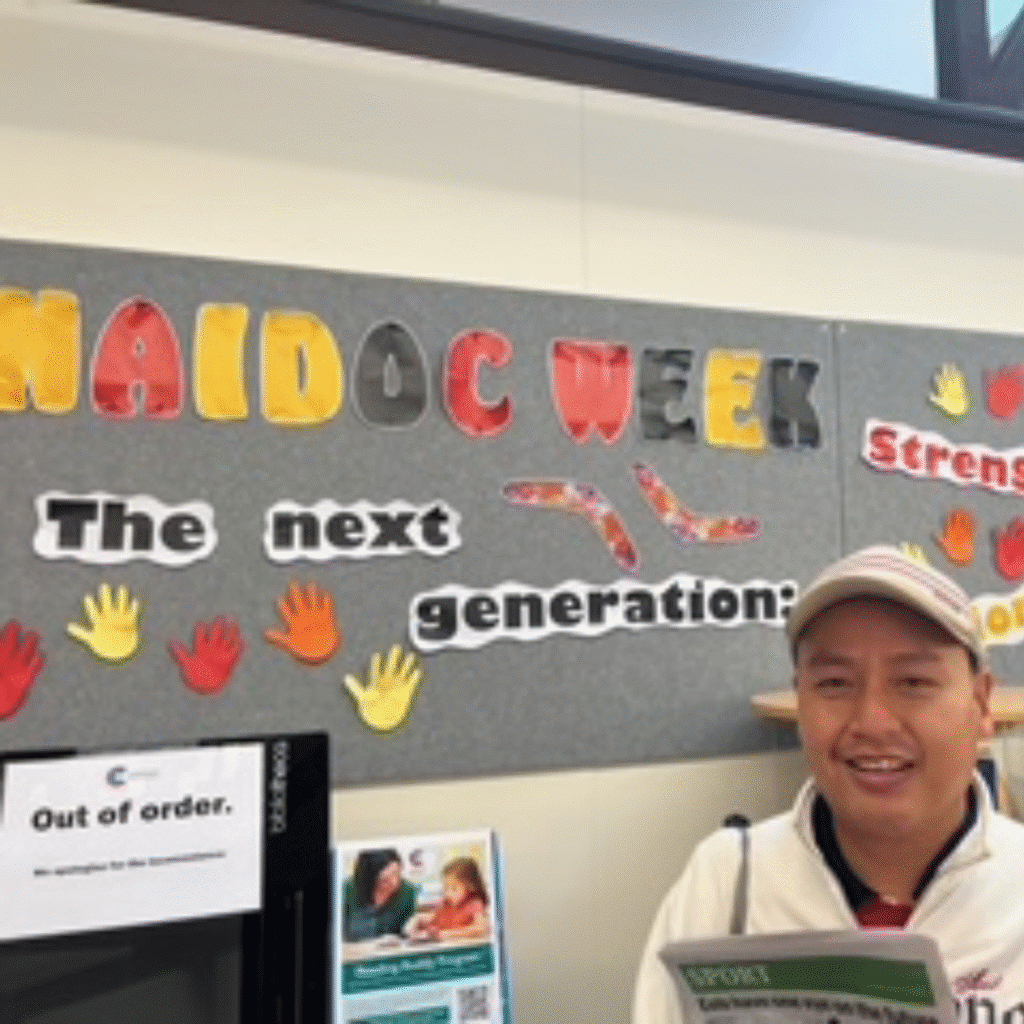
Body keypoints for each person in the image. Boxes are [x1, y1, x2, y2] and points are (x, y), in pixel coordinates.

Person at [632, 544, 1024, 1024]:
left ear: (982, 703)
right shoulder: (729, 879)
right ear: (801, 700)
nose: (873, 722)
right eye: (835, 683)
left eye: (914, 681)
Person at [343, 847, 418, 942]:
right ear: (369, 879)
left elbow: (407, 931)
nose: (394, 883)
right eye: (385, 880)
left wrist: (415, 930)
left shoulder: (408, 891)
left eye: (396, 874)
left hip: (391, 953)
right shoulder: (347, 890)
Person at [409, 855, 490, 942]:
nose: (448, 893)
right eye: (446, 888)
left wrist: (450, 934)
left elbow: (481, 929)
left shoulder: (474, 904)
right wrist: (420, 922)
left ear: (470, 886)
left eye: (454, 888)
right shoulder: (446, 904)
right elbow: (431, 918)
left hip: (463, 951)